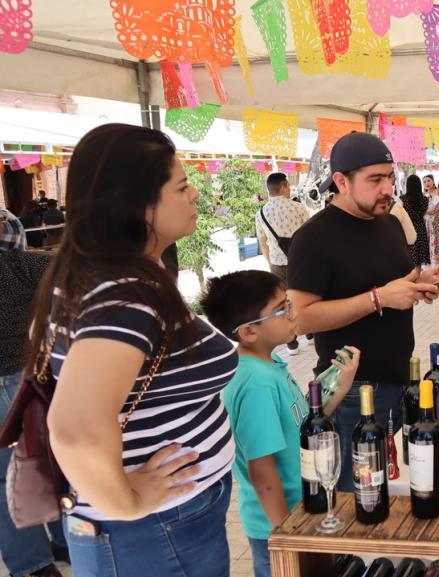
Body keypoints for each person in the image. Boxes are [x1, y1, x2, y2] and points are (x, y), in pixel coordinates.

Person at [29, 123, 237, 577]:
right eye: (181, 186)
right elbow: (75, 428)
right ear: (137, 205)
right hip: (153, 533)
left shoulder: (101, 275)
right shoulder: (124, 295)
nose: (195, 195)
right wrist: (128, 501)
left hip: (164, 527)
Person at [289, 132, 439, 491]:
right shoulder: (314, 238)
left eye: (390, 177)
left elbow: (391, 283)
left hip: (398, 380)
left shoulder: (388, 224)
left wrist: (418, 282)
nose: (387, 189)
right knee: (355, 498)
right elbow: (300, 318)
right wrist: (379, 299)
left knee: (397, 490)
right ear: (341, 181)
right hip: (351, 393)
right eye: (375, 180)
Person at [200, 270, 359, 577]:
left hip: (297, 513)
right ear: (249, 332)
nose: (292, 313)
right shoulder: (256, 383)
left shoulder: (269, 364)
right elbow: (263, 475)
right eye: (282, 308)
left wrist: (340, 386)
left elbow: (304, 424)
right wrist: (287, 537)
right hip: (278, 524)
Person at [0, 209, 66, 577]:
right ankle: (50, 549)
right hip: (21, 376)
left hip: (18, 378)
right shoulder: (19, 265)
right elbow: (73, 271)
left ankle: (34, 562)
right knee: (45, 461)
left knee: (8, 477)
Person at [256, 172, 311, 355]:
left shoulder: (261, 213)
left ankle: (292, 344)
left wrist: (269, 262)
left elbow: (262, 241)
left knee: (283, 303)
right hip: (301, 261)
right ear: (284, 187)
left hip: (277, 264)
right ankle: (310, 333)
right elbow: (310, 236)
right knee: (304, 296)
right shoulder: (298, 208)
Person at [402, 175, 431, 267]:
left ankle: (412, 280)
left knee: (410, 257)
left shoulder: (402, 199)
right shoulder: (425, 199)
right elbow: (423, 214)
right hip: (421, 230)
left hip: (407, 229)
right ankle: (417, 278)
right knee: (419, 259)